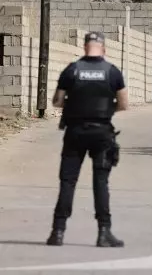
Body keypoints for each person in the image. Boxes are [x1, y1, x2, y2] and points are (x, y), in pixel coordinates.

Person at [46, 31, 129, 247]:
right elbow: (123, 104)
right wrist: (104, 110)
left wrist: (75, 105)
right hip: (102, 133)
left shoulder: (72, 70)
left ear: (84, 48)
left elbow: (57, 101)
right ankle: (104, 233)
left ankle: (58, 232)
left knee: (68, 181)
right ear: (103, 49)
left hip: (75, 132)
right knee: (100, 182)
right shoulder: (112, 72)